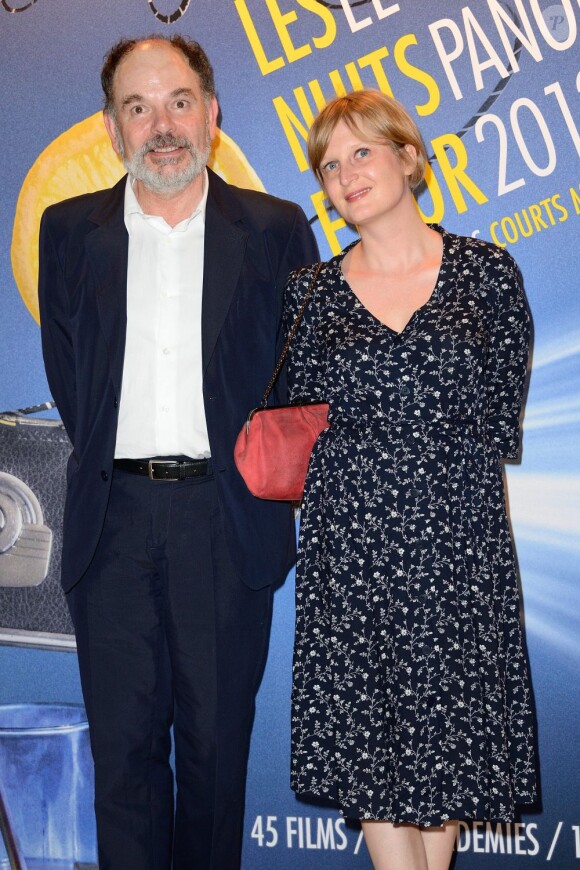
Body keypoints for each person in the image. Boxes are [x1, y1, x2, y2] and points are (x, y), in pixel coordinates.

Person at [38, 34, 318, 870]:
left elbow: (297, 379)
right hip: (111, 527)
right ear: (112, 128)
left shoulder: (273, 229)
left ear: (213, 113)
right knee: (120, 765)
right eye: (138, 106)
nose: (162, 125)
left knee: (213, 762)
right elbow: (69, 372)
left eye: (179, 101)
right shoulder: (66, 232)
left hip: (225, 529)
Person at [284, 90, 537, 870]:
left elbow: (498, 417)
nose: (346, 173)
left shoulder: (488, 275)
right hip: (351, 563)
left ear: (408, 156)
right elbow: (298, 419)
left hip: (459, 558)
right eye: (330, 164)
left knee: (448, 764)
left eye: (362, 151)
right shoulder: (308, 295)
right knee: (372, 761)